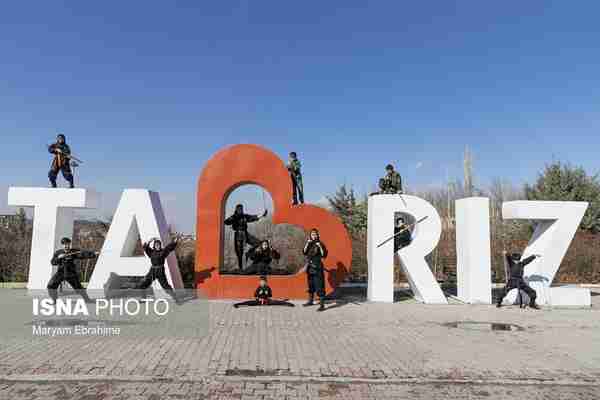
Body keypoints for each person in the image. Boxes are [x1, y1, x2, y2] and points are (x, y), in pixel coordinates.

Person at [48, 237, 98, 303]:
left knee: (79, 288)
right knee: (51, 286)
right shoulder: (58, 252)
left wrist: (93, 254)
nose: (67, 246)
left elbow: (83, 254)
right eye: (65, 244)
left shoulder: (74, 252)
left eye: (68, 244)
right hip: (61, 273)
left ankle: (87, 300)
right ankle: (54, 300)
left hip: (71, 273)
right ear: (62, 245)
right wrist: (58, 258)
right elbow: (53, 262)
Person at [136, 236, 181, 303]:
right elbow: (145, 247)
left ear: (160, 245)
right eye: (156, 245)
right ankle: (143, 299)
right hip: (152, 271)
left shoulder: (163, 251)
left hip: (160, 272)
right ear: (154, 246)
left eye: (159, 245)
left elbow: (169, 247)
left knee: (166, 286)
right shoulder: (151, 252)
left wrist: (175, 241)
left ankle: (175, 298)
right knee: (143, 284)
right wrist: (150, 240)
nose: (157, 246)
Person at [224, 204, 267, 270]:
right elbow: (226, 222)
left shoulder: (244, 216)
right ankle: (240, 268)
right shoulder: (234, 217)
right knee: (239, 252)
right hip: (238, 234)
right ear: (236, 210)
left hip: (245, 233)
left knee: (258, 243)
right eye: (239, 209)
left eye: (242, 209)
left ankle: (251, 255)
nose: (241, 210)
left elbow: (253, 217)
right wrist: (232, 219)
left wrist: (262, 215)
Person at [302, 228, 328, 312]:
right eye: (312, 234)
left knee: (319, 285)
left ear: (317, 235)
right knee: (311, 284)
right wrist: (307, 243)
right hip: (310, 267)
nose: (314, 236)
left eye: (315, 234)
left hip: (317, 267)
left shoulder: (320, 243)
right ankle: (310, 301)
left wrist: (319, 246)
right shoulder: (309, 243)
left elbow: (324, 255)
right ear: (310, 235)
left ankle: (322, 305)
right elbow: (304, 252)